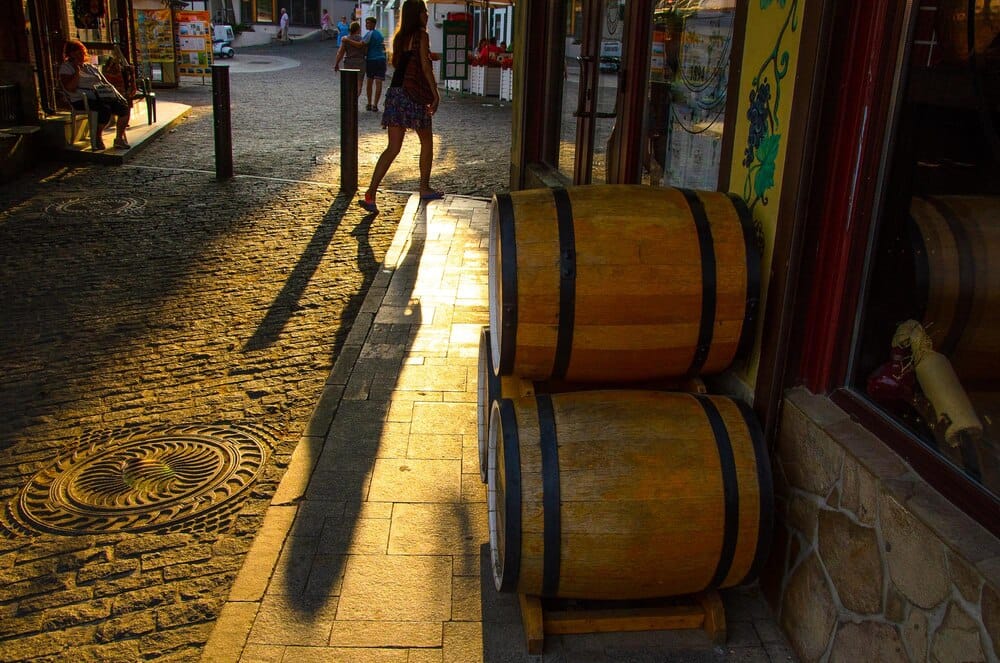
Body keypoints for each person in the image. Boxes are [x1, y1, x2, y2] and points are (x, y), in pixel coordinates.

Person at [359, 0, 442, 213]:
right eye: (424, 11)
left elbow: (397, 65)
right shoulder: (421, 36)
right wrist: (435, 93)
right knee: (427, 141)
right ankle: (424, 187)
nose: (427, 15)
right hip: (412, 95)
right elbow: (425, 66)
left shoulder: (399, 38)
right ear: (418, 14)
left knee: (393, 148)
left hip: (395, 94)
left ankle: (371, 194)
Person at [59, 38, 129, 150]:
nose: (81, 56)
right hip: (82, 99)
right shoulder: (66, 67)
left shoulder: (90, 67)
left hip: (101, 95)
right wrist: (77, 72)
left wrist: (115, 94)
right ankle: (97, 136)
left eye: (82, 53)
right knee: (104, 109)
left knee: (123, 107)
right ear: (71, 55)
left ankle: (119, 138)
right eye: (77, 53)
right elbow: (70, 87)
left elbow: (105, 82)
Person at [334, 21, 366, 98]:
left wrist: (336, 64)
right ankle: (355, 99)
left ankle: (350, 99)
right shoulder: (362, 39)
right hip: (360, 62)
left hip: (349, 62)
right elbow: (366, 52)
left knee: (349, 82)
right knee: (359, 83)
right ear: (358, 29)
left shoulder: (345, 39)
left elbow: (340, 53)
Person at [362, 16, 387, 112]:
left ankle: (369, 103)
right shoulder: (380, 35)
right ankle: (375, 105)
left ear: (373, 24)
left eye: (368, 23)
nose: (366, 25)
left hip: (372, 59)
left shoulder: (369, 34)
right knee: (379, 82)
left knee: (369, 82)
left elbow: (362, 44)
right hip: (381, 59)